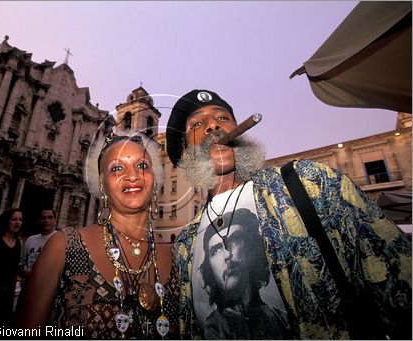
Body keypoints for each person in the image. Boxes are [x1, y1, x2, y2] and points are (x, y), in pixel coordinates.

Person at [166, 89, 412, 339]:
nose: (213, 126)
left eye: (223, 117)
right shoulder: (186, 244)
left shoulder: (312, 182)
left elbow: (400, 281)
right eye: (197, 123)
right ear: (186, 153)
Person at [15, 130, 180, 339]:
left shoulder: (176, 256)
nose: (132, 175)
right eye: (117, 168)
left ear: (155, 179)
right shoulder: (63, 247)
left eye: (142, 165)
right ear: (101, 184)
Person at [199, 208, 292, 339]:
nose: (227, 255)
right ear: (209, 268)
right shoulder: (212, 329)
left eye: (234, 240)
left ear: (252, 247)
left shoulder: (283, 320)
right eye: (216, 250)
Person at [19, 208, 57, 282]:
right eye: (43, 218)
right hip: (29, 283)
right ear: (38, 220)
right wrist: (26, 274)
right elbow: (21, 264)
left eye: (50, 217)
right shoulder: (30, 240)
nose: (46, 221)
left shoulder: (60, 239)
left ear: (54, 221)